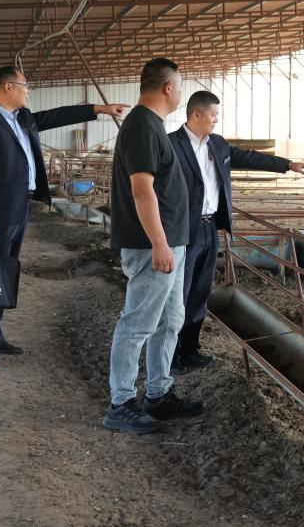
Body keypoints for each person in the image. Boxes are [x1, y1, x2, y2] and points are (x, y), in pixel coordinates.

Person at [0, 66, 127, 366]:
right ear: (8, 87)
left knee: (5, 272)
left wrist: (99, 109)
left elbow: (56, 116)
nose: (28, 91)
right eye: (25, 85)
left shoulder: (22, 118)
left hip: (19, 206)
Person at [168, 91, 304, 373]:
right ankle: (170, 355)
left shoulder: (218, 144)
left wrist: (287, 165)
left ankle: (190, 350)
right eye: (213, 115)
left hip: (211, 228)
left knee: (200, 291)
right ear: (196, 114)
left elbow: (249, 157)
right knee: (178, 295)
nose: (216, 120)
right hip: (183, 231)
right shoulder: (170, 144)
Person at [102, 58, 201, 435]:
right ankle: (121, 403)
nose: (181, 92)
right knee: (138, 322)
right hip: (152, 246)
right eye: (180, 85)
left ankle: (158, 393)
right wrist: (159, 242)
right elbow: (142, 190)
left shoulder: (152, 125)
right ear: (168, 87)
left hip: (170, 243)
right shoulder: (143, 125)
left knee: (169, 320)